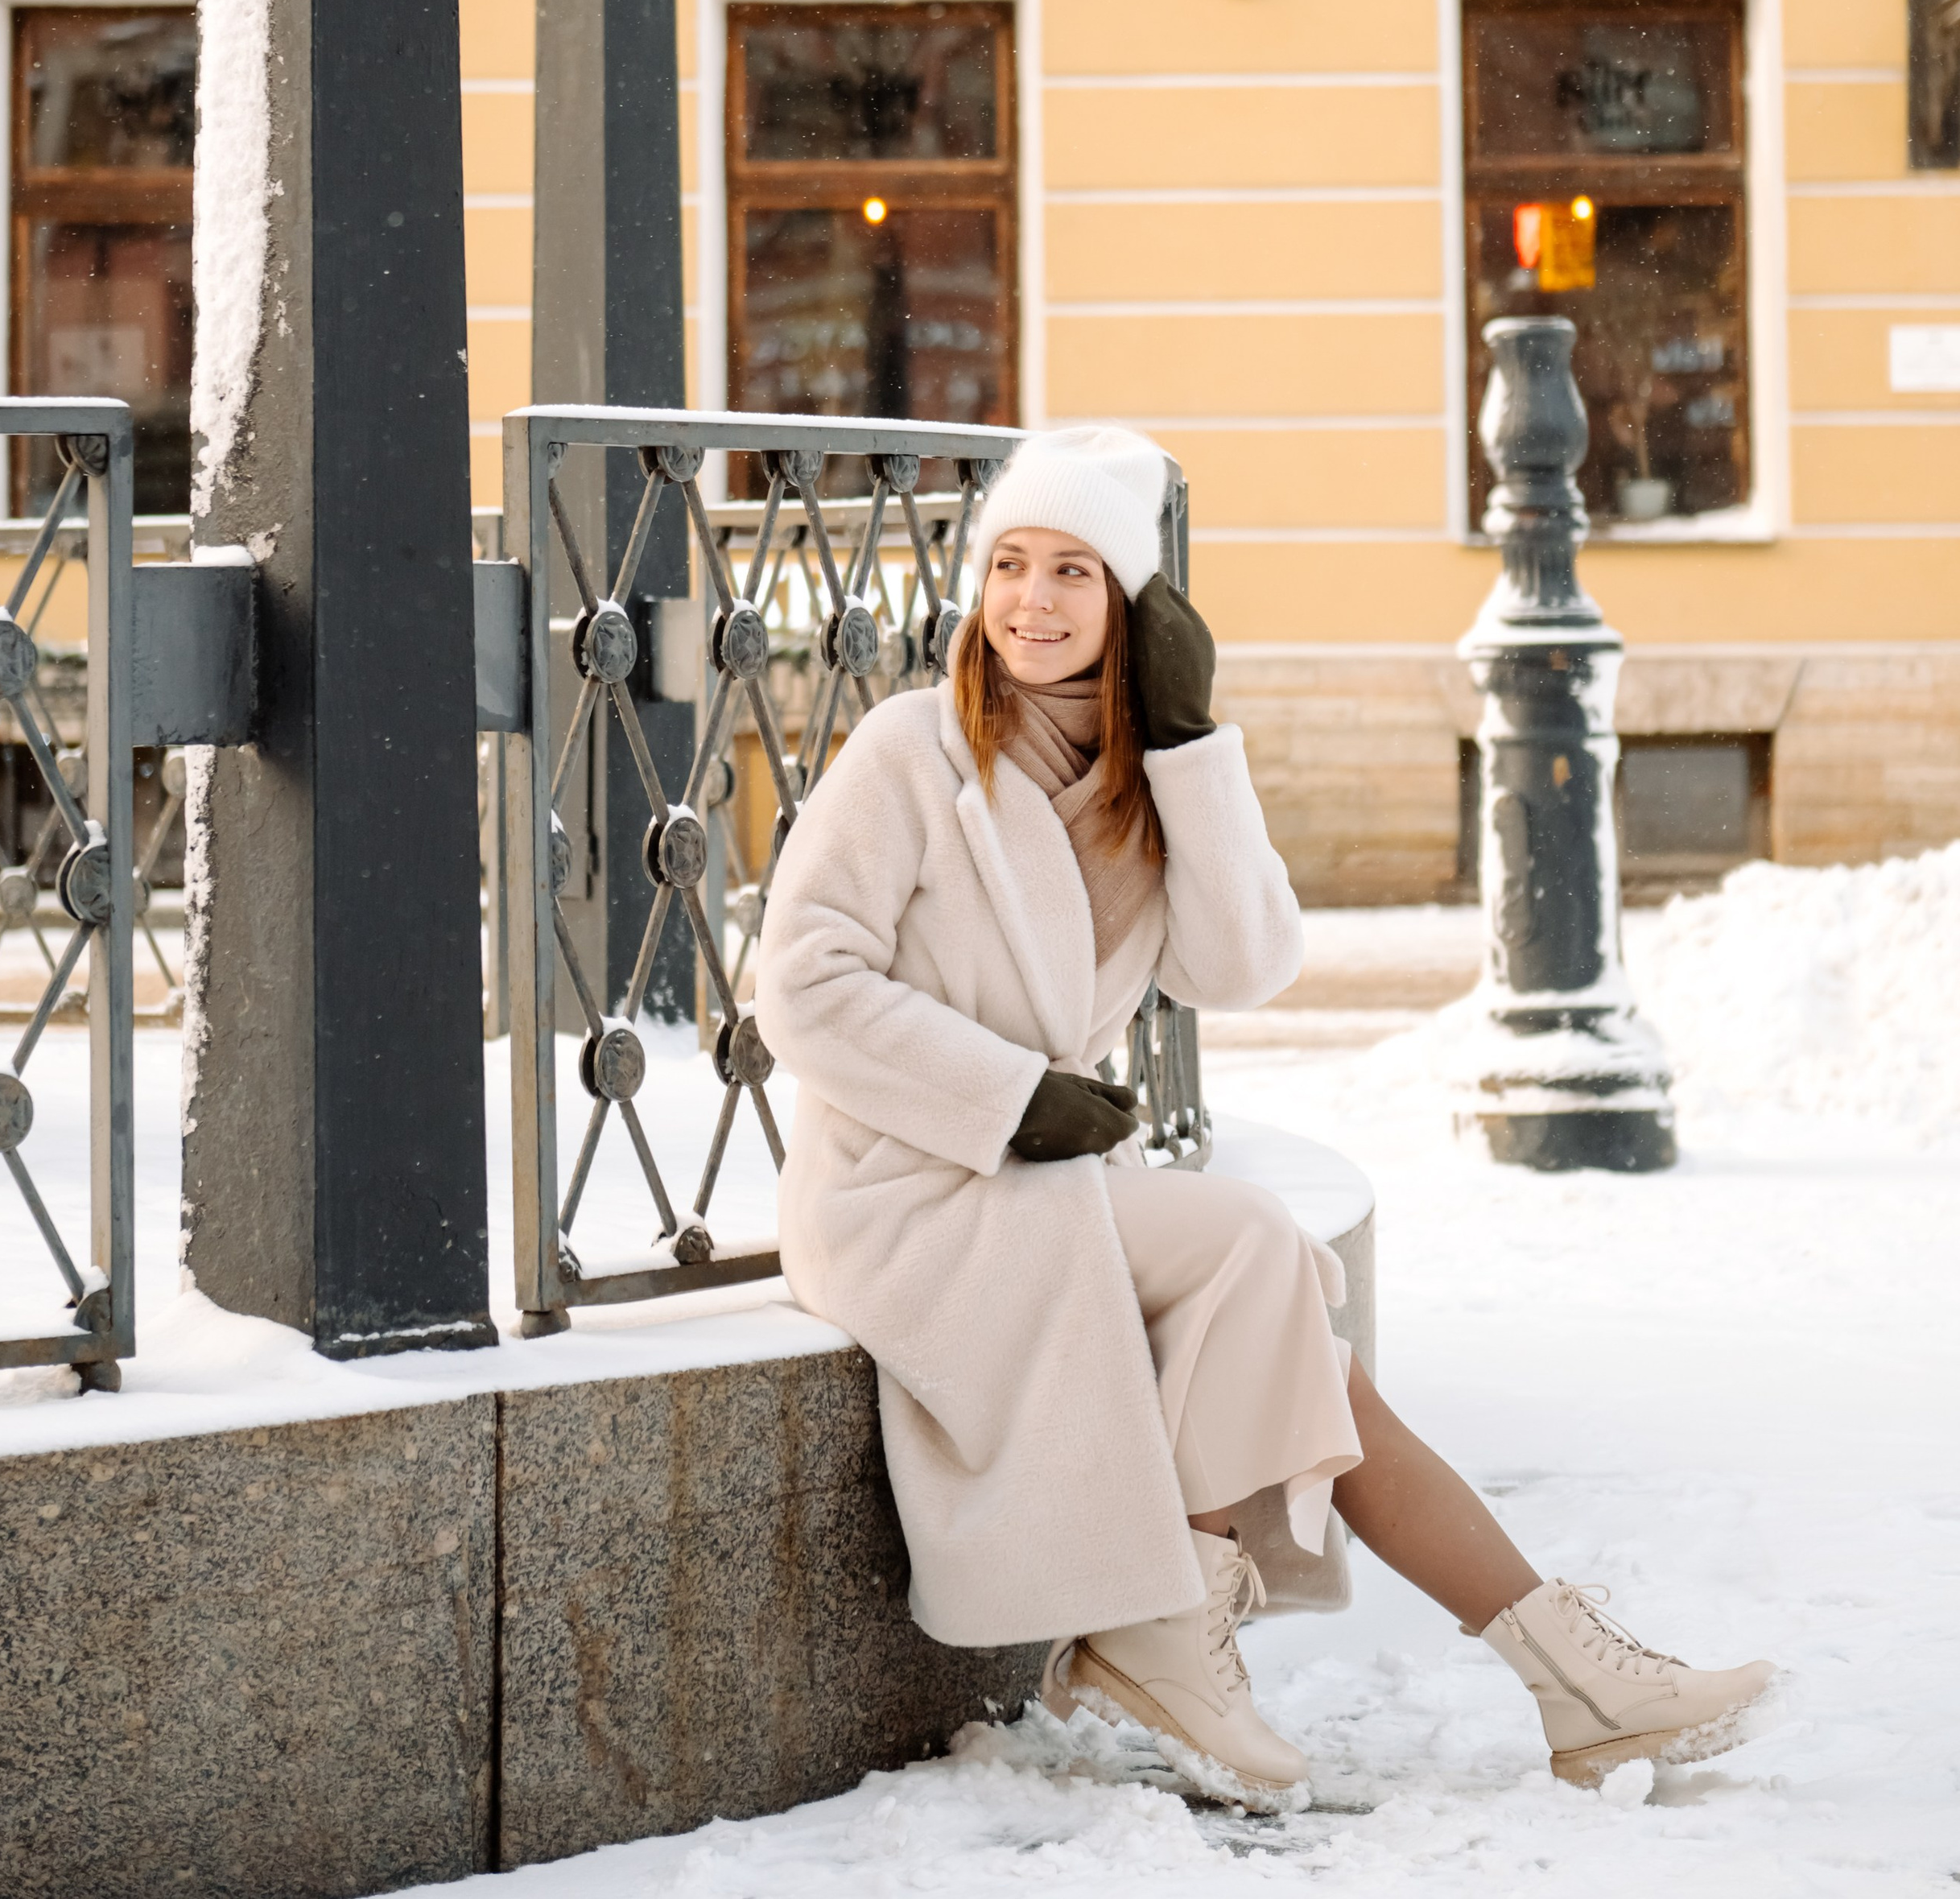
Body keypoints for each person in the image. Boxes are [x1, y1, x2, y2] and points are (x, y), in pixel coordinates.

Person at [756, 426, 1773, 1809]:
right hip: (901, 1190)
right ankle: (1209, 1627)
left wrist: (1192, 748)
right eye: (1008, 566)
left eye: (1072, 572)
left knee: (1280, 1277)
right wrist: (1005, 1099)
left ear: (1130, 608)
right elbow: (800, 986)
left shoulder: (1140, 780)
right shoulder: (909, 753)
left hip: (1034, 1182)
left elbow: (1243, 966)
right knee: (1256, 1247)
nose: (1032, 602)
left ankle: (1552, 1674)